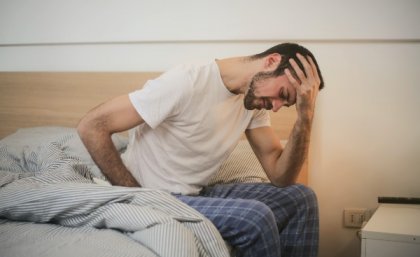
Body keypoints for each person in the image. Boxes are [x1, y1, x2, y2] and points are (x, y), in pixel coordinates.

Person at [77, 42, 324, 257]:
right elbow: (91, 126)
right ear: (271, 61)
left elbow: (281, 176)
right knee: (256, 218)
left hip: (194, 194)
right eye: (282, 94)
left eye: (287, 103)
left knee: (301, 198)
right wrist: (137, 196)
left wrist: (305, 116)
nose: (277, 107)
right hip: (157, 195)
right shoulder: (187, 81)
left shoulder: (253, 104)